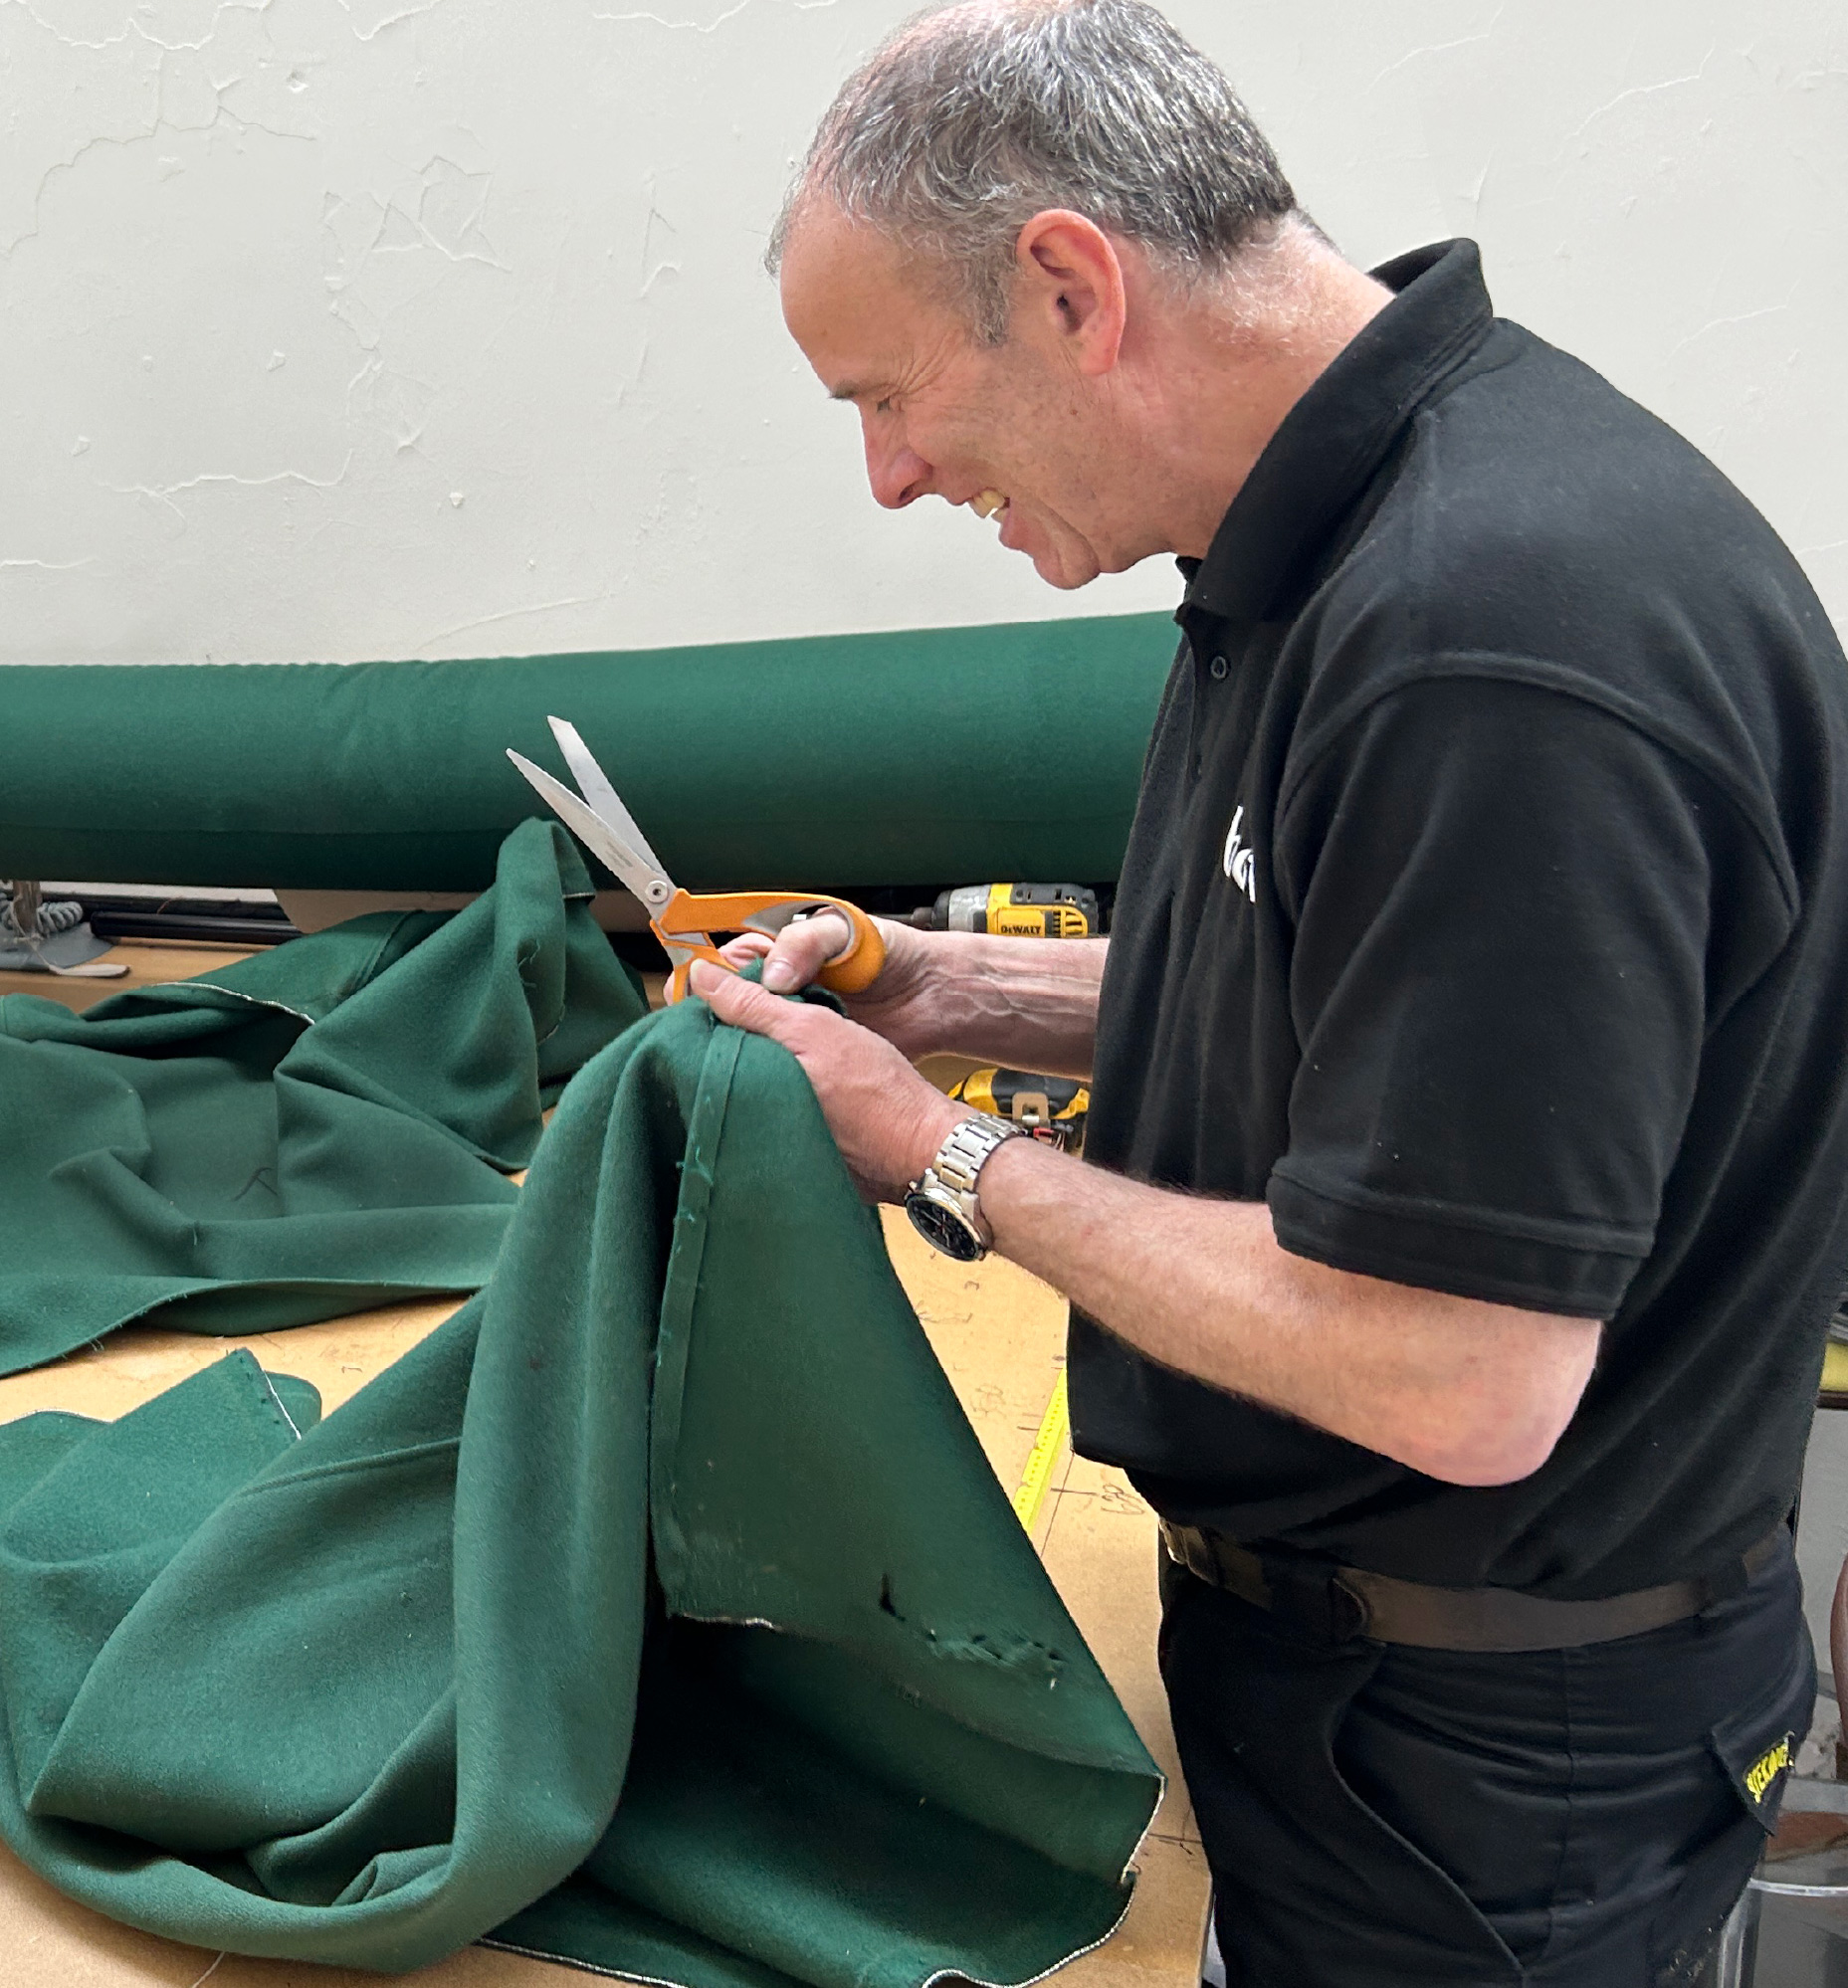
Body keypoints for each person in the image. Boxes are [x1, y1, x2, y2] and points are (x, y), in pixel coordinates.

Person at [711, 3, 1846, 1980]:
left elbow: (1455, 1371)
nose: (889, 477)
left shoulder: (1485, 638)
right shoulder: (1343, 530)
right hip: (1375, 1693)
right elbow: (1357, 1008)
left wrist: (940, 1154)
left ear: (1069, 288)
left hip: (1479, 1771)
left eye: (884, 396)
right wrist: (935, 987)